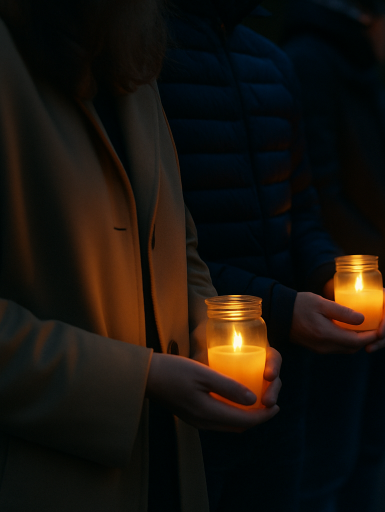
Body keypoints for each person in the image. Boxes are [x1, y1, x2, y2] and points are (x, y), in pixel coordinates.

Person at [0, 1, 283, 510]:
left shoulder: (133, 62)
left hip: (169, 468)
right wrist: (139, 379)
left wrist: (210, 331)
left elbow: (181, 246)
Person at [157, 1, 385, 510]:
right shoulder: (144, 54)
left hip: (286, 375)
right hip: (183, 368)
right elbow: (150, 242)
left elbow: (304, 209)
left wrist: (330, 275)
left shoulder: (273, 64)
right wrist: (286, 308)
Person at [284, 1, 385, 510]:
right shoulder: (312, 64)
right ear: (370, 17)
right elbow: (322, 192)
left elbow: (381, 186)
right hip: (340, 296)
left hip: (383, 290)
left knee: (366, 447)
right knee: (328, 459)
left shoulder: (360, 74)